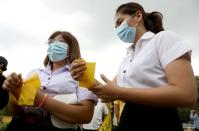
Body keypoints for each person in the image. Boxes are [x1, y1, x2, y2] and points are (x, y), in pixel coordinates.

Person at [70, 2, 197, 131]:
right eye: (116, 26)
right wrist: (83, 75)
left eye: (120, 22)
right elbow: (108, 90)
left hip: (159, 122)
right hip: (128, 120)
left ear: (137, 16)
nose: (118, 29)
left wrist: (120, 93)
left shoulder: (163, 39)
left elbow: (186, 94)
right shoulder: (127, 58)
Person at [2, 31, 97, 131]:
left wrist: (41, 100)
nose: (54, 45)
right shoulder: (34, 73)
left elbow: (85, 115)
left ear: (71, 49)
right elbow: (17, 113)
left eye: (61, 42)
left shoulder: (80, 74)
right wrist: (14, 92)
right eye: (51, 42)